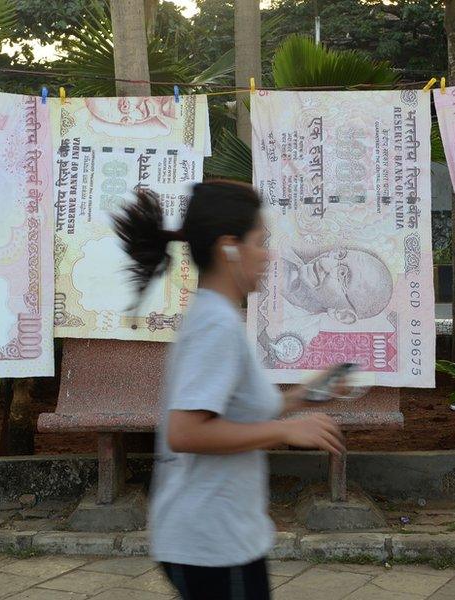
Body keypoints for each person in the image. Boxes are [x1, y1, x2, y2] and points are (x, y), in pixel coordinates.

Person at [113, 181, 345, 600]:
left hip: (222, 535)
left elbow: (237, 411)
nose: (269, 255)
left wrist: (307, 394)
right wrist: (285, 432)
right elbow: (186, 432)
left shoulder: (218, 317)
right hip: (211, 542)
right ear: (229, 249)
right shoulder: (215, 325)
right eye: (261, 242)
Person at [280, 246, 394, 324]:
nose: (325, 262)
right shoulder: (284, 251)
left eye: (343, 275)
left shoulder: (291, 329)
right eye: (340, 255)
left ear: (342, 314)